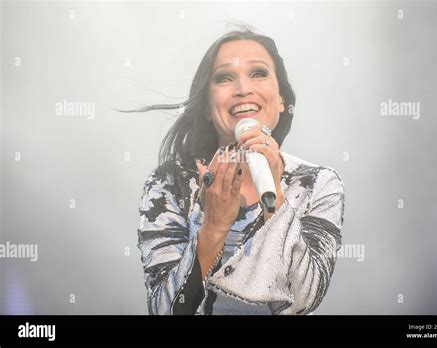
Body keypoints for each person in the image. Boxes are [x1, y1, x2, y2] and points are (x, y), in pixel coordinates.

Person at [135, 26, 345, 315]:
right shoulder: (170, 184)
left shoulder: (317, 183)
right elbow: (166, 310)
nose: (243, 89)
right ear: (208, 107)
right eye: (224, 78)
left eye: (258, 73)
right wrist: (214, 227)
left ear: (282, 98)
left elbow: (303, 298)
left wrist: (277, 204)